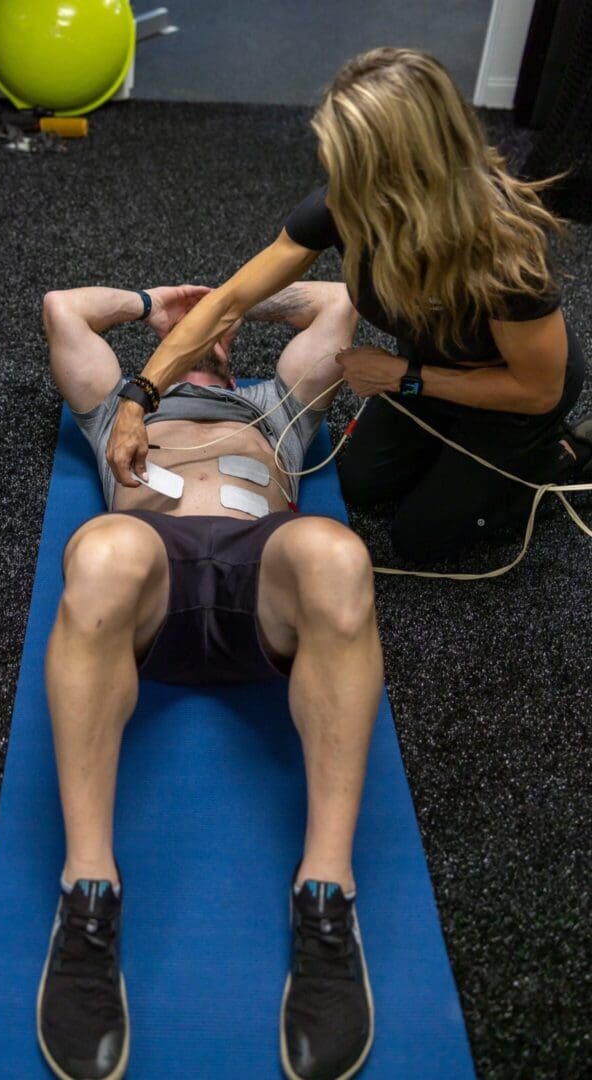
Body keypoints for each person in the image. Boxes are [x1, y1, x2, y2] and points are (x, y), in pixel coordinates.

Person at [38, 279, 382, 1080]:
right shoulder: (120, 404)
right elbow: (63, 309)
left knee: (338, 554)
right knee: (99, 548)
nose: (203, 335)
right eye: (188, 330)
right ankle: (88, 892)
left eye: (215, 332)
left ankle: (327, 896)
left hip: (263, 577)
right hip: (149, 578)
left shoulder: (274, 405)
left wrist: (233, 304)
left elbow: (336, 303)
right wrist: (153, 303)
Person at [106, 48, 592, 564]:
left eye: (351, 171)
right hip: (425, 375)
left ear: (408, 173)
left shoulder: (503, 254)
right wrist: (139, 397)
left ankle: (561, 455)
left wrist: (405, 377)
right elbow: (228, 303)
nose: (333, 189)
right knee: (359, 484)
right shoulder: (344, 207)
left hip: (512, 401)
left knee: (420, 539)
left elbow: (538, 389)